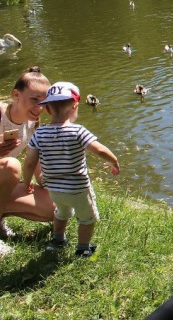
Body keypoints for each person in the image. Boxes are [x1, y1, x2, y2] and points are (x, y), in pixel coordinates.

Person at [22, 81, 120, 257]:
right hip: (78, 188)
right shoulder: (78, 131)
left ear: (48, 109)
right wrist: (113, 161)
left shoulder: (40, 133)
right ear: (75, 106)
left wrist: (27, 182)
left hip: (53, 188)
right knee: (87, 218)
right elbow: (99, 149)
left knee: (61, 212)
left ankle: (57, 240)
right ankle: (83, 248)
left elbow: (29, 162)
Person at [0, 66, 55, 256]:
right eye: (34, 99)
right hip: (6, 172)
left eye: (44, 101)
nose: (40, 107)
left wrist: (58, 184)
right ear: (16, 94)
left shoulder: (32, 123)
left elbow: (37, 163)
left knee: (53, 208)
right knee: (11, 166)